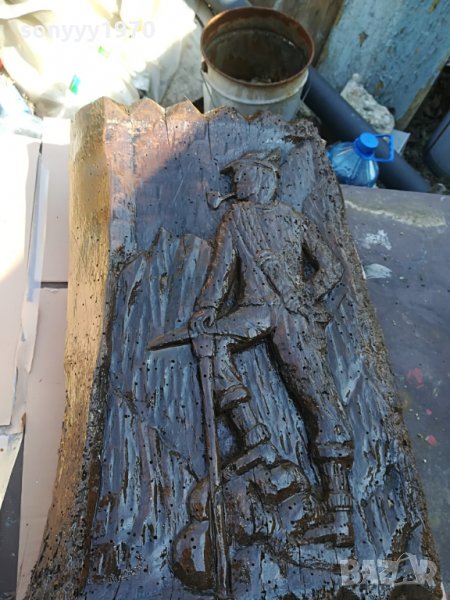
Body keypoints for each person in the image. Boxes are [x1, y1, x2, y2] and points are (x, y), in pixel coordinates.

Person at [190, 149, 354, 545]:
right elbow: (222, 271)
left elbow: (332, 268)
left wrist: (305, 295)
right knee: (212, 341)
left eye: (242, 175)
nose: (236, 183)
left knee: (320, 402)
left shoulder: (293, 219)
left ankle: (340, 515)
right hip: (255, 310)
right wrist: (207, 309)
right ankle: (255, 438)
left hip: (294, 316)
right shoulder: (237, 218)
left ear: (264, 177)